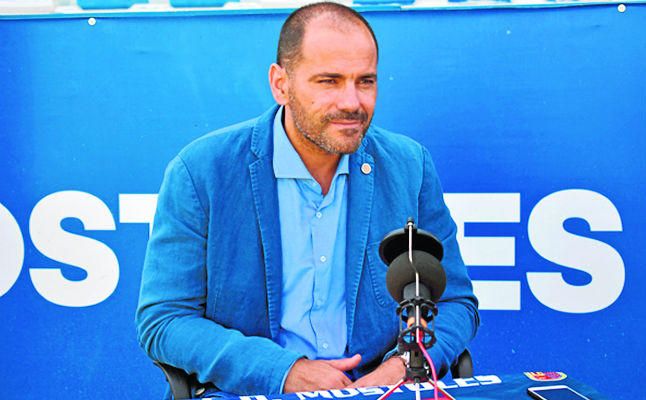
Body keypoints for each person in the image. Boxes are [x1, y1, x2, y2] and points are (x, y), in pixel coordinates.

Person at [136, 2, 479, 397]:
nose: (351, 102)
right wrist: (283, 372)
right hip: (250, 391)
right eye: (329, 81)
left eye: (365, 81)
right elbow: (165, 319)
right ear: (280, 84)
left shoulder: (409, 166)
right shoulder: (201, 171)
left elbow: (455, 303)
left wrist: (403, 366)